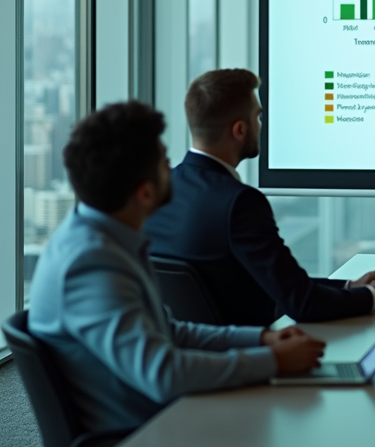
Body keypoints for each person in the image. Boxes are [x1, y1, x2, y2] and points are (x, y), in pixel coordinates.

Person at [28, 102, 326, 434]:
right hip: (147, 432)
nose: (171, 165)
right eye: (162, 160)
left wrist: (262, 338)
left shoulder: (106, 237)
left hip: (166, 419)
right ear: (144, 192)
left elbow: (170, 331)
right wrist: (275, 361)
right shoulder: (90, 263)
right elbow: (163, 374)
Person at [146, 69, 375, 326]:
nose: (261, 125)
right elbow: (302, 303)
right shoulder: (239, 203)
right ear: (239, 130)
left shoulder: (160, 189)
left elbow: (275, 282)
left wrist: (350, 286)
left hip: (191, 353)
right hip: (252, 357)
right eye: (258, 117)